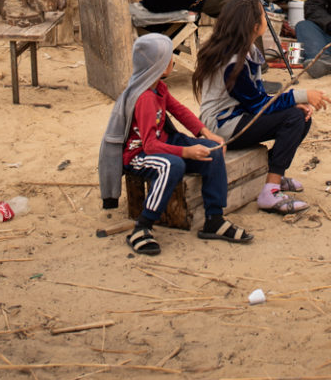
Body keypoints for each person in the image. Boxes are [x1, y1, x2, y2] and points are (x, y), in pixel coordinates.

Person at [97, 33, 254, 255]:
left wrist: (205, 132)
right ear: (158, 66)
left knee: (213, 151)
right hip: (140, 155)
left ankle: (214, 219)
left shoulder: (158, 88)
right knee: (173, 166)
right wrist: (186, 152)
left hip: (164, 143)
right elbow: (149, 146)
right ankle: (142, 227)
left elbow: (179, 111)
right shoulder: (145, 99)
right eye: (169, 57)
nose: (173, 59)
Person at [193, 0, 331, 213]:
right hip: (222, 127)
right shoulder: (232, 60)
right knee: (294, 117)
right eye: (264, 15)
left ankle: (271, 173)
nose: (267, 19)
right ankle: (271, 190)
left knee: (301, 115)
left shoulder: (247, 49)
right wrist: (301, 96)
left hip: (239, 116)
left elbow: (256, 99)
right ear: (255, 25)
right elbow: (257, 105)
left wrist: (294, 103)